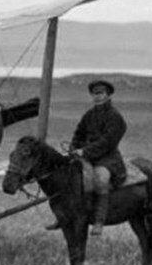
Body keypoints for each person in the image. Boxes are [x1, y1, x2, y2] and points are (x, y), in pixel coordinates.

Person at [47, 79, 127, 236]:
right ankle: (63, 216)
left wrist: (85, 151)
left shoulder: (115, 117)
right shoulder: (89, 115)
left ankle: (99, 220)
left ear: (108, 95)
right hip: (87, 156)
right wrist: (73, 148)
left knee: (101, 180)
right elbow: (79, 133)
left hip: (108, 158)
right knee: (67, 176)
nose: (97, 96)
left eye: (101, 93)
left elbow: (108, 142)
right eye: (95, 94)